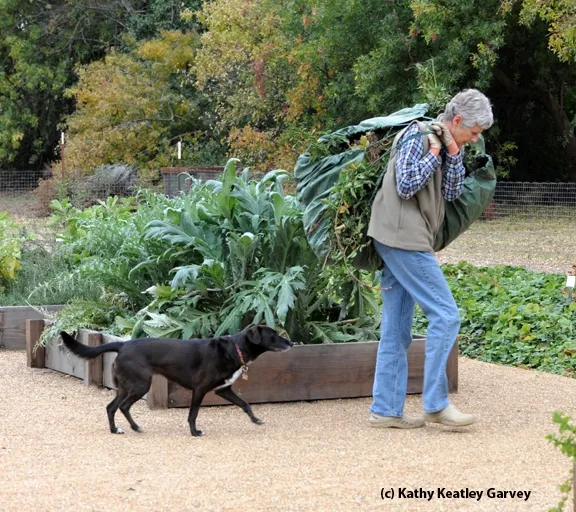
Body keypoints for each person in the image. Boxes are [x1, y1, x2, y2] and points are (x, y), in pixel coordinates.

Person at [366, 89, 494, 428]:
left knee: (396, 329)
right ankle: (436, 404)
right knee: (447, 315)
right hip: (402, 238)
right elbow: (406, 184)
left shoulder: (448, 144)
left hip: (402, 236)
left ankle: (385, 410)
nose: (475, 138)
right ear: (456, 120)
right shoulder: (419, 134)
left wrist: (453, 153)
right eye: (474, 131)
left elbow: (451, 193)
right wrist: (436, 150)